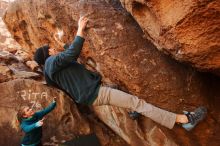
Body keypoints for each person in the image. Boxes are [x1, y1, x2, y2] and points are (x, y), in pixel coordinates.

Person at [34, 16, 207, 131]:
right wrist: (80, 29)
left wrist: (65, 44)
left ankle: (132, 112)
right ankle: (184, 120)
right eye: (51, 48)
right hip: (95, 93)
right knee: (138, 103)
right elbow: (71, 54)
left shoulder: (52, 68)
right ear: (48, 53)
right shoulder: (51, 63)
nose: (54, 48)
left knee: (117, 88)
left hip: (91, 94)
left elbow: (68, 57)